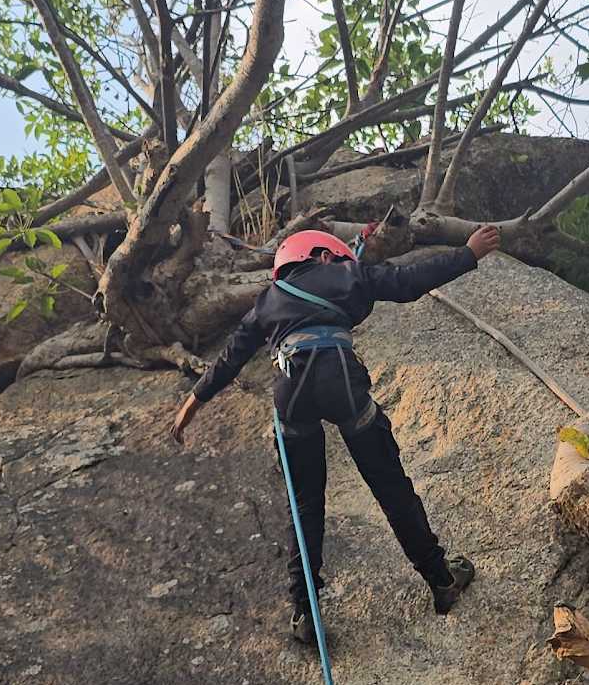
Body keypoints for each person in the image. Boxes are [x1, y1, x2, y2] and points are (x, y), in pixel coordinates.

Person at [170, 223, 503, 643]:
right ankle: (440, 579)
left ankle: (304, 613)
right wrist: (468, 253)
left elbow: (231, 357)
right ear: (324, 256)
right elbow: (407, 282)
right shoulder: (346, 274)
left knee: (305, 503)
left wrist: (192, 403)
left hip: (289, 391)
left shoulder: (265, 301)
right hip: (338, 377)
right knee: (390, 487)